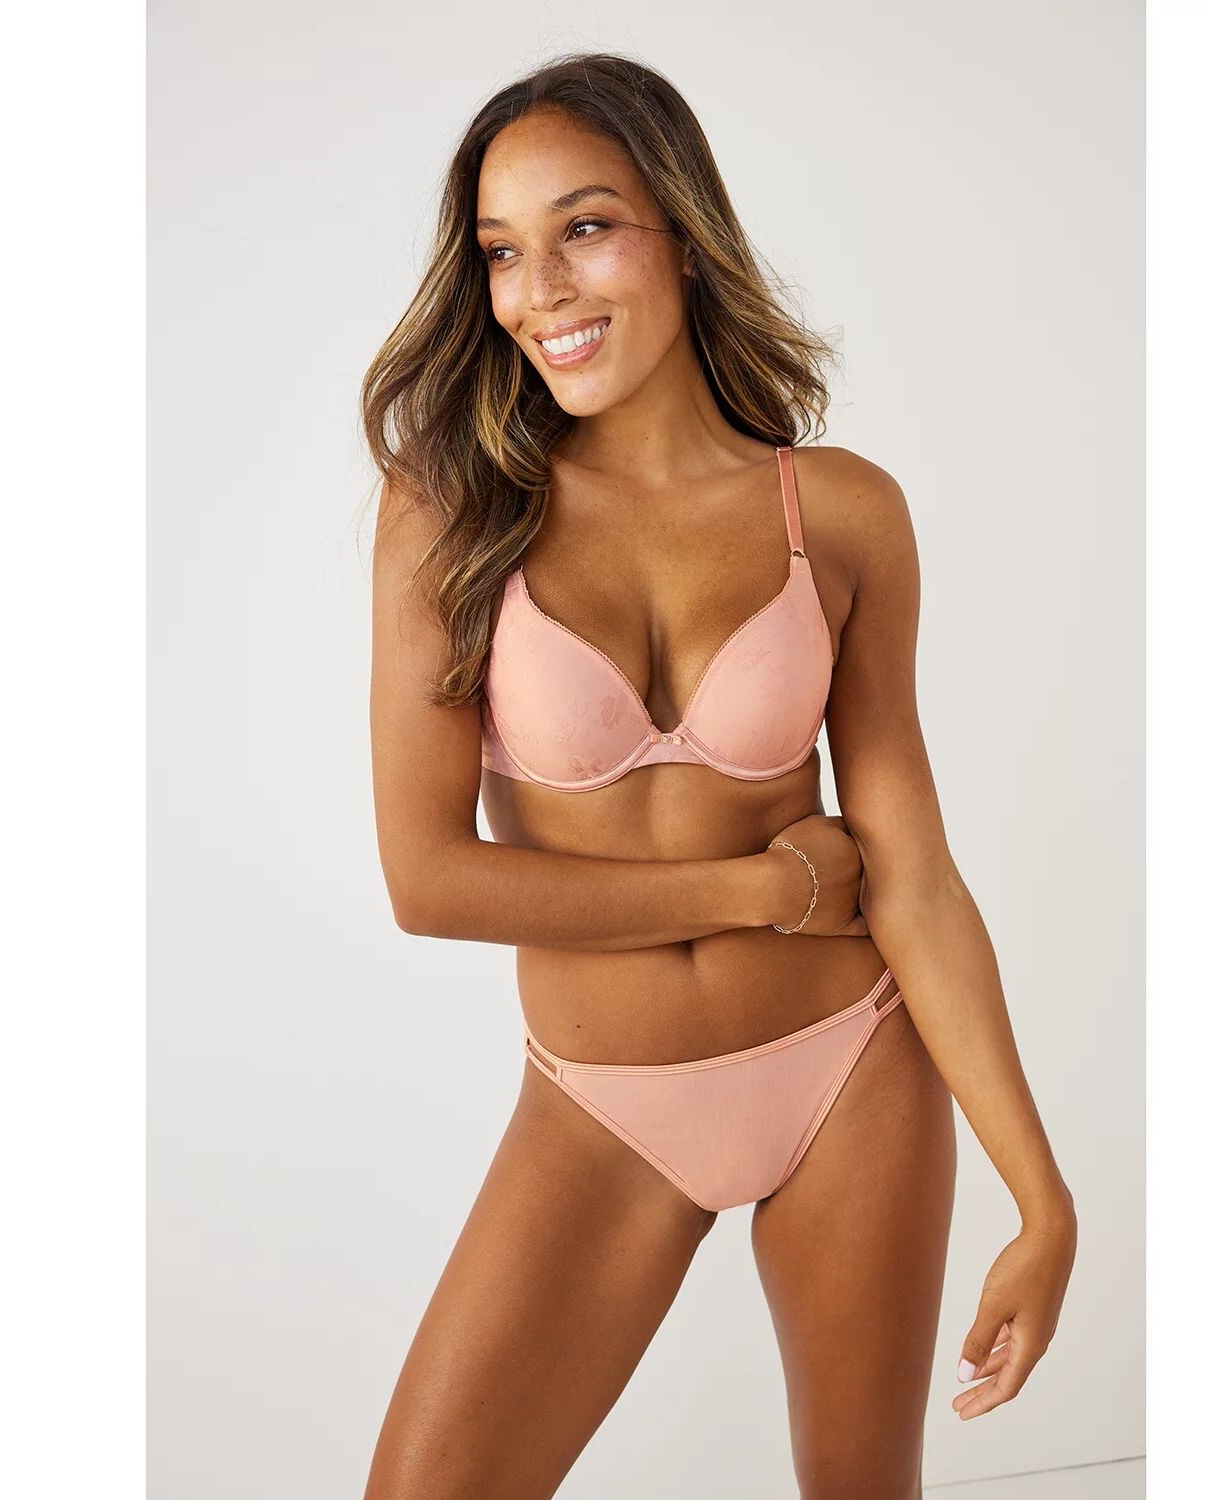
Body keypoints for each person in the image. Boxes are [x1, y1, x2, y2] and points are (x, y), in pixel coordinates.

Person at [360, 51, 1076, 1500]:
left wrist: (1041, 1195)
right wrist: (756, 888)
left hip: (852, 1066)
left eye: (585, 227)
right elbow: (429, 882)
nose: (539, 291)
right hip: (602, 1105)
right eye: (501, 252)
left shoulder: (843, 513)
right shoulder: (453, 511)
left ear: (683, 235)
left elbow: (916, 878)